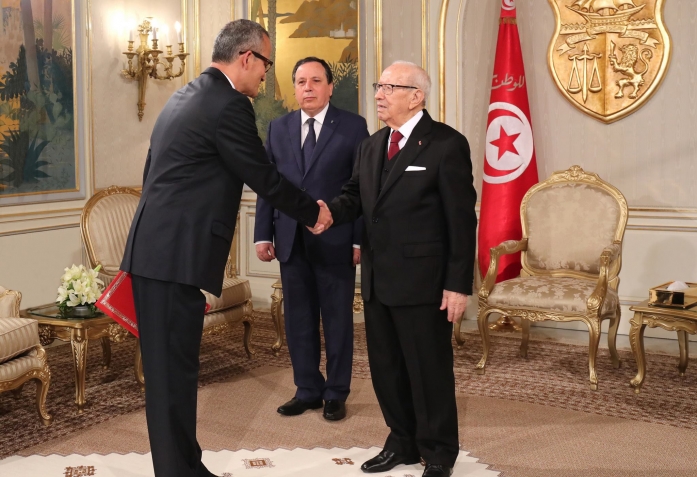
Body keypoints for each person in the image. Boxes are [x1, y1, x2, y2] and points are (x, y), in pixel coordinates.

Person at [120, 20, 332, 477]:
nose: (266, 75)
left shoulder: (185, 95)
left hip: (159, 252)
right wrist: (313, 212)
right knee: (171, 377)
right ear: (246, 58)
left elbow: (154, 171)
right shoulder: (229, 105)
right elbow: (262, 175)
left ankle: (186, 467)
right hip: (172, 257)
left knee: (172, 374)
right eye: (266, 63)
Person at [325, 61, 477, 477]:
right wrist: (325, 213)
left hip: (425, 284)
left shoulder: (446, 144)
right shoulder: (372, 145)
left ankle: (439, 452)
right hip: (378, 280)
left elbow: (461, 222)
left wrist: (458, 285)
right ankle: (402, 442)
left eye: (389, 87)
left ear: (416, 96)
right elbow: (354, 197)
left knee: (428, 372)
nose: (379, 94)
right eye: (379, 86)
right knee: (387, 370)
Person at [254, 57, 369, 421]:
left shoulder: (353, 127)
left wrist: (358, 240)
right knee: (298, 320)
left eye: (316, 80)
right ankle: (307, 389)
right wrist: (262, 233)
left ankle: (336, 392)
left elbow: (361, 188)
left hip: (336, 240)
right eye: (301, 81)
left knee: (337, 321)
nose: (308, 87)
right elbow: (268, 185)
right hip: (289, 239)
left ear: (330, 87)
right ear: (295, 88)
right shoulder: (279, 127)